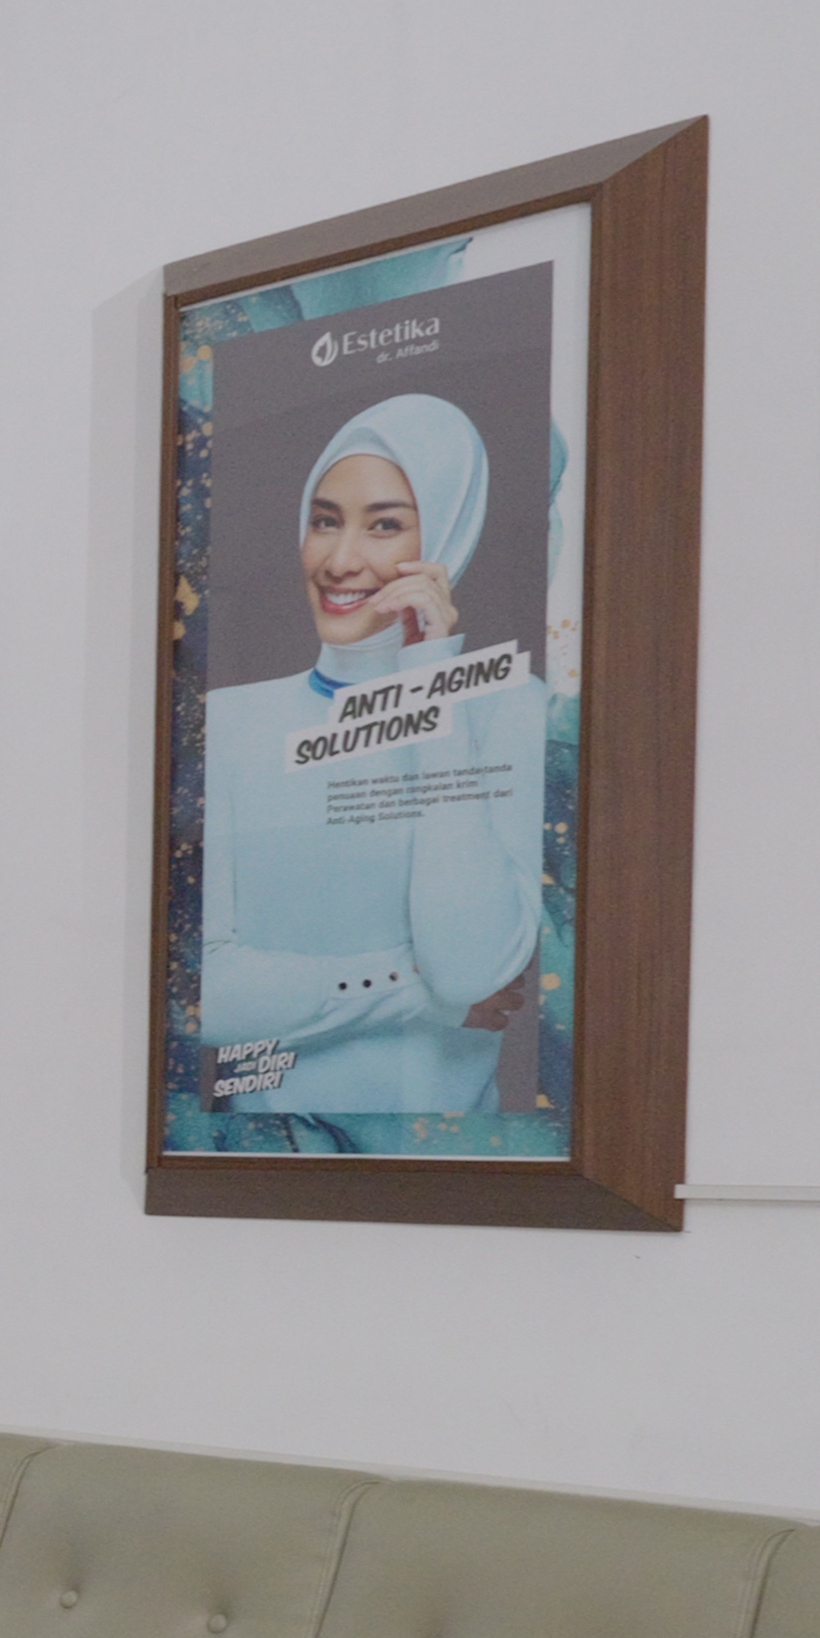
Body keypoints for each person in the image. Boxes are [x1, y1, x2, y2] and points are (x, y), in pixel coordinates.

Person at [192, 391, 546, 1130]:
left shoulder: (510, 709)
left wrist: (431, 684)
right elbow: (208, 994)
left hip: (450, 1164)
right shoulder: (230, 722)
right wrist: (415, 991)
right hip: (262, 1158)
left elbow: (470, 966)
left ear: (447, 532)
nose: (340, 560)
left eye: (385, 525)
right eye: (325, 521)